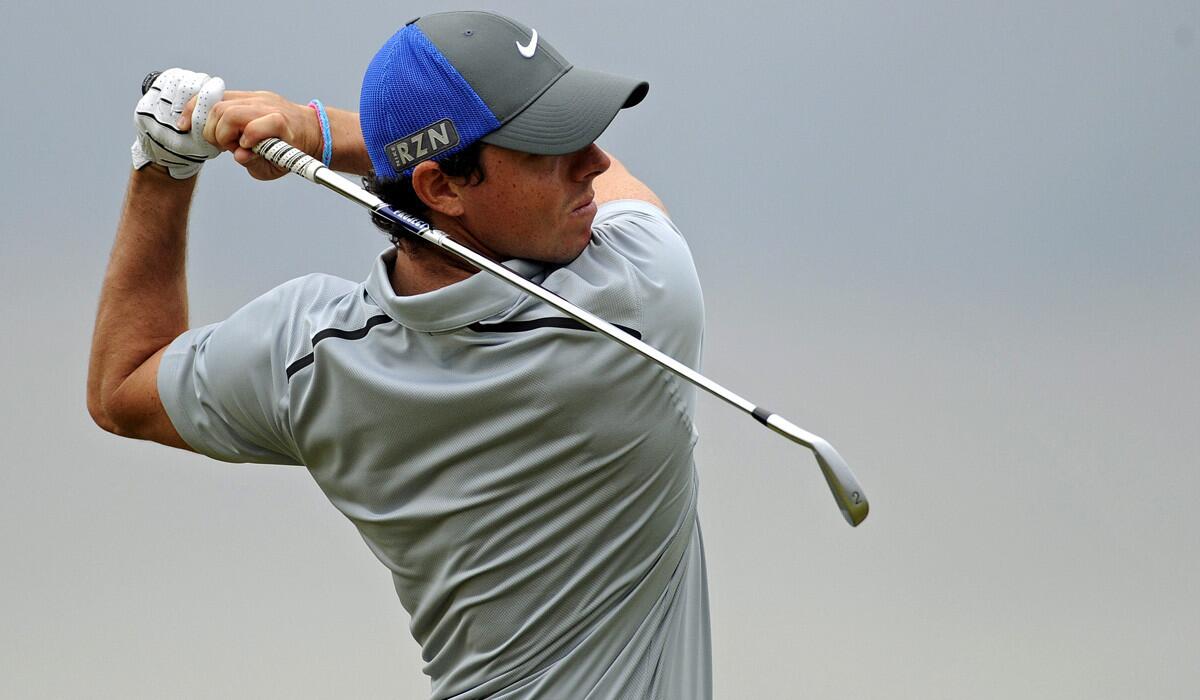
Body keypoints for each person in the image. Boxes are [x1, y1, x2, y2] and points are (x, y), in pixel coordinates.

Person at [88, 10, 710, 699]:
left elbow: (123, 385)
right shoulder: (638, 299)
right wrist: (319, 130)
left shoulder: (307, 356)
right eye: (547, 144)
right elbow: (620, 183)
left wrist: (164, 163)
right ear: (441, 189)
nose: (592, 160)